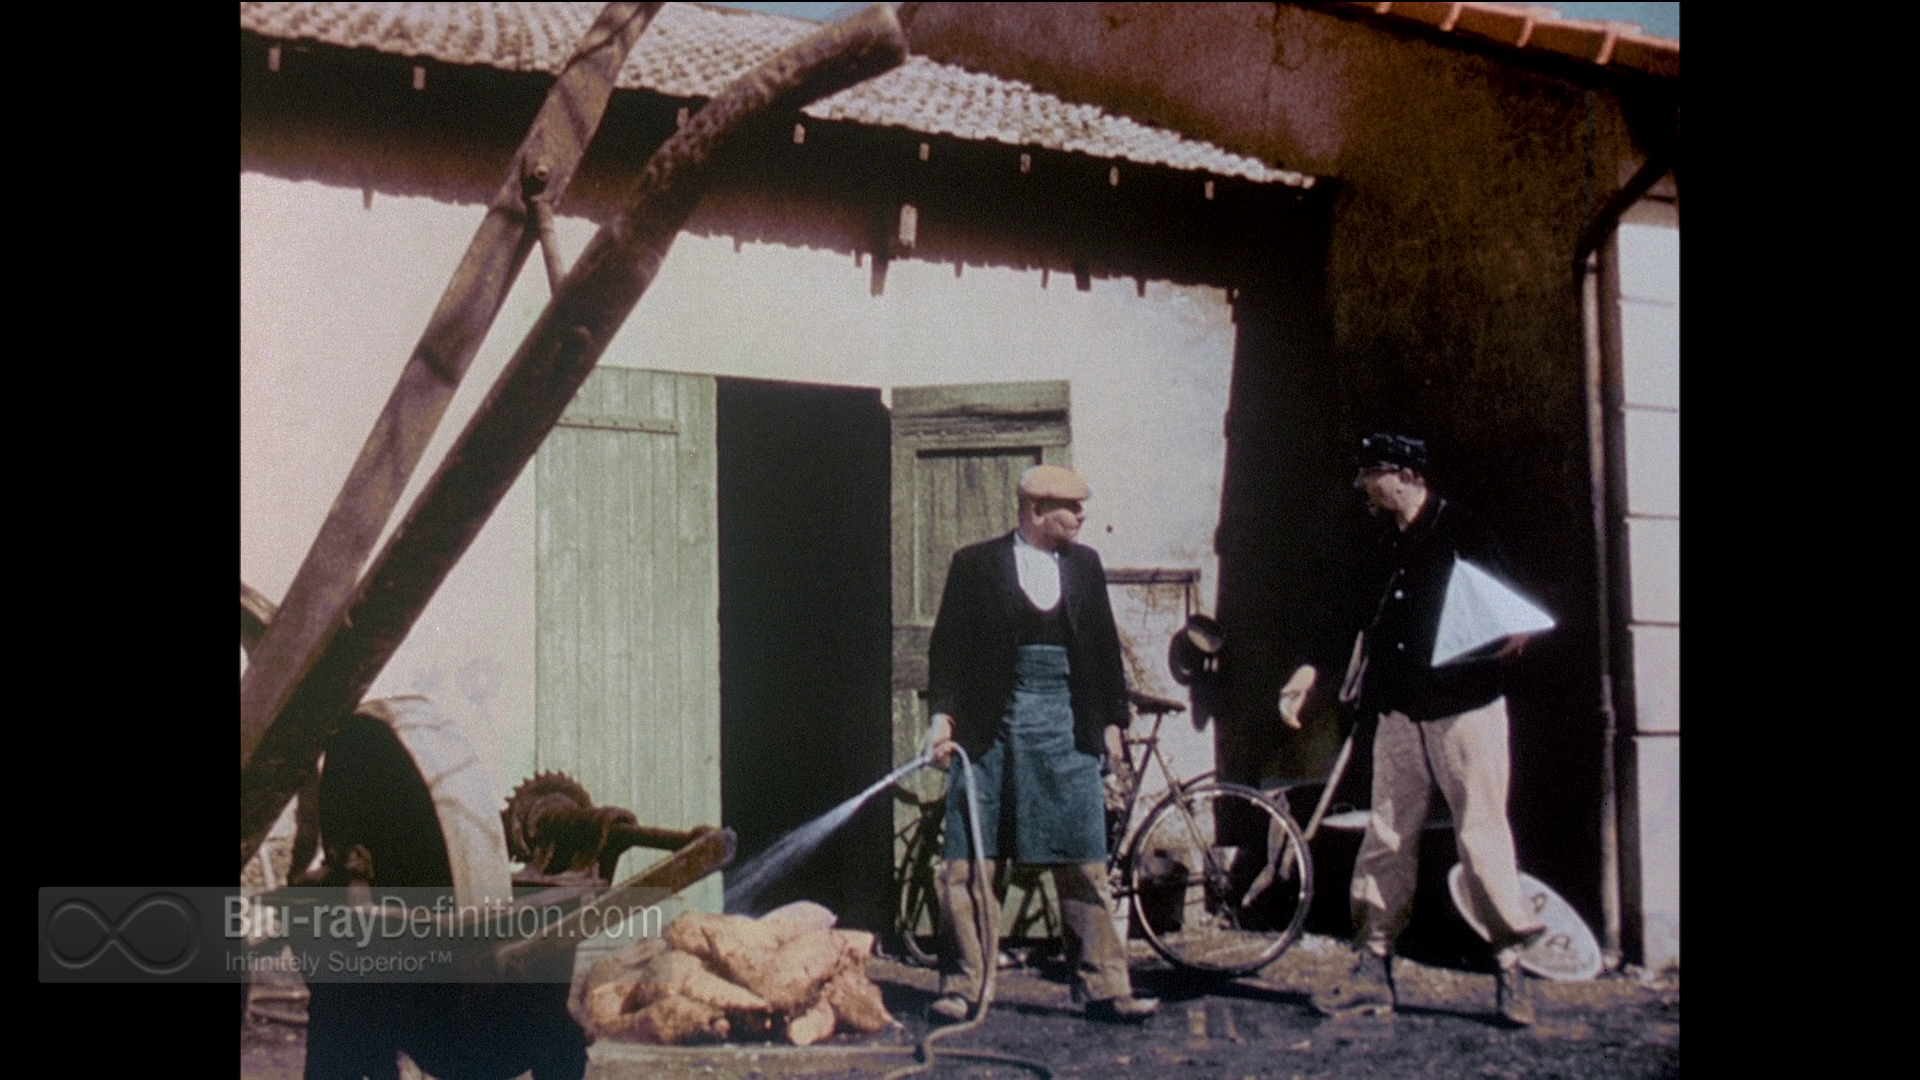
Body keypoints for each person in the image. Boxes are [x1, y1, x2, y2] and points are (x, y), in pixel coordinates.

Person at [1277, 433, 1546, 1027]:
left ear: (1405, 475)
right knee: (1388, 834)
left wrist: (1510, 633)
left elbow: (1514, 611)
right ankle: (1373, 969)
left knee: (1480, 834)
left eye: (1370, 474)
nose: (1363, 487)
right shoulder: (1378, 542)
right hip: (1398, 710)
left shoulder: (1463, 529)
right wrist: (1309, 671)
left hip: (1464, 708)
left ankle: (1511, 969)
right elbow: (1346, 614)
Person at [922, 464, 1160, 1024]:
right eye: (1071, 508)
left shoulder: (1084, 565)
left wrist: (1112, 725)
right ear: (1035, 510)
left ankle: (1105, 988)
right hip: (990, 726)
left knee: (1083, 859)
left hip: (1066, 724)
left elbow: (1102, 649)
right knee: (969, 863)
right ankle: (963, 987)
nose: (1081, 517)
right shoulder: (975, 565)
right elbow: (948, 650)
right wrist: (942, 719)